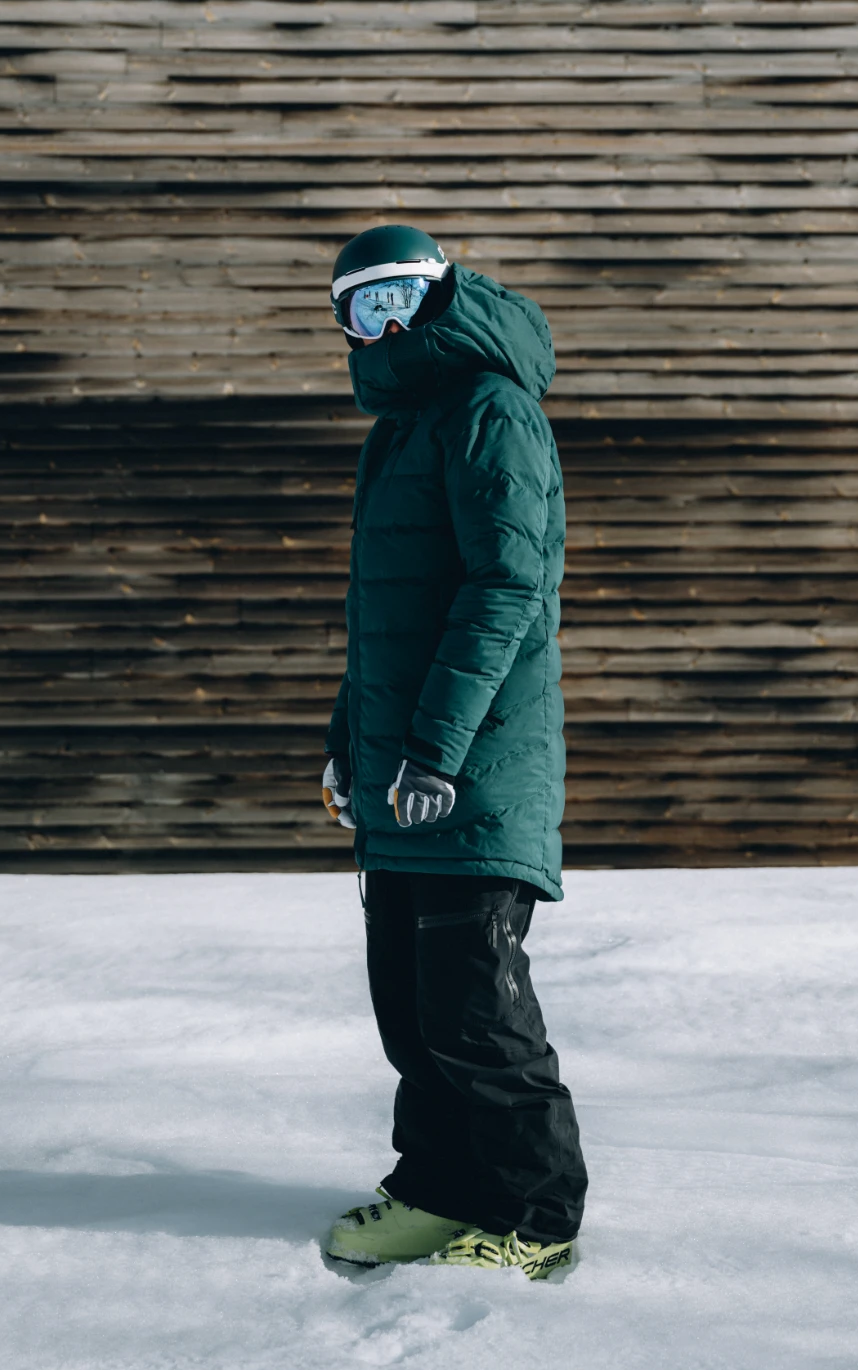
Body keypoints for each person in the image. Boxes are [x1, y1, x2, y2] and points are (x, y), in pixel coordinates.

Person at [319, 225, 587, 1279]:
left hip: (472, 774)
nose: (385, 327)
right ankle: (437, 1191)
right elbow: (383, 623)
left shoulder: (490, 409)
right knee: (412, 1015)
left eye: (400, 299)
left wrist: (433, 751)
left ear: (442, 298)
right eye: (363, 307)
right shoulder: (401, 428)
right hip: (404, 781)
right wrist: (349, 745)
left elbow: (503, 592)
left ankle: (536, 1219)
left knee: (477, 1019)